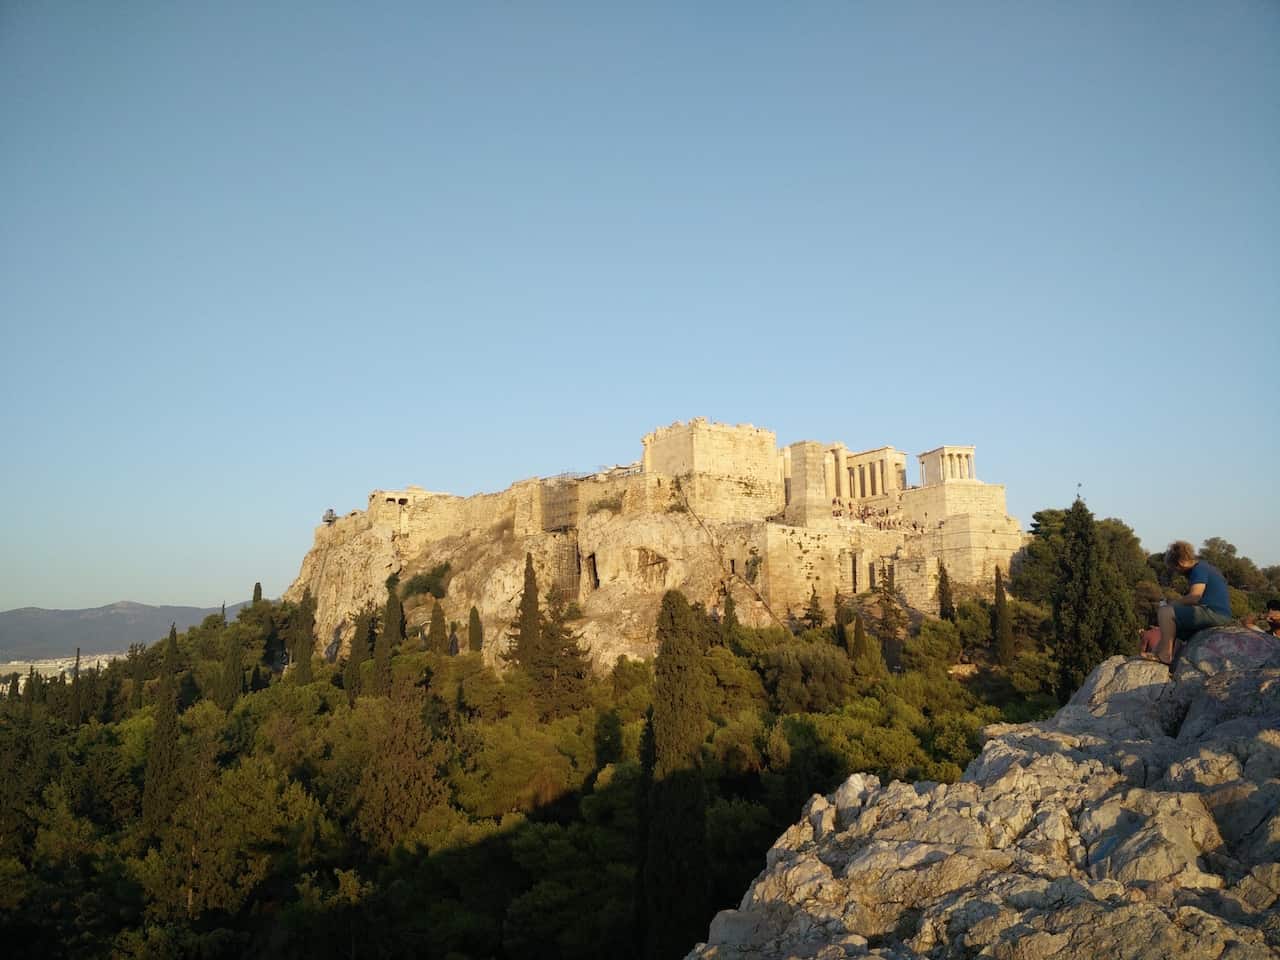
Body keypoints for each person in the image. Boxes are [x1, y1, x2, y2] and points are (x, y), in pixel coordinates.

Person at [1146, 541, 1233, 665]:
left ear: (1180, 563)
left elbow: (1194, 597)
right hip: (1219, 614)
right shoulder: (1205, 566)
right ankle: (1159, 653)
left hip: (1214, 613)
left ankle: (1165, 656)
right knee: (1174, 625)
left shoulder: (1199, 569)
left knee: (1165, 612)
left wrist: (1172, 604)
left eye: (1174, 568)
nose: (1176, 572)